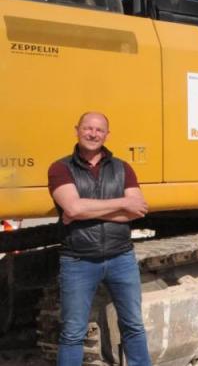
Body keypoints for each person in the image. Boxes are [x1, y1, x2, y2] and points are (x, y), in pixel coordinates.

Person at [48, 112, 151, 366]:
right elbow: (73, 209)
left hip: (121, 258)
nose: (93, 134)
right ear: (77, 130)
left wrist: (85, 211)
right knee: (73, 332)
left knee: (134, 326)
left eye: (99, 130)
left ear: (107, 134)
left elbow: (137, 210)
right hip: (78, 261)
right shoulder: (61, 168)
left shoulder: (122, 168)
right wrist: (122, 203)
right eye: (88, 128)